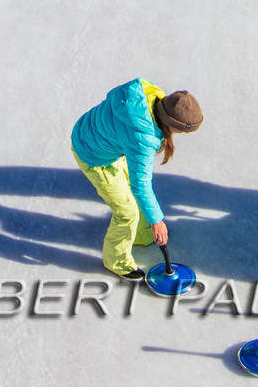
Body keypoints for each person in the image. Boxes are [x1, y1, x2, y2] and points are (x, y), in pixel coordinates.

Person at [71, 77, 203, 279]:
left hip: (98, 135)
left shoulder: (150, 95)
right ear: (172, 124)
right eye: (183, 131)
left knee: (135, 195)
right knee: (127, 212)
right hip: (94, 157)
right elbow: (141, 185)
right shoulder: (143, 140)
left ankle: (142, 234)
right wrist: (158, 221)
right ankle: (116, 261)